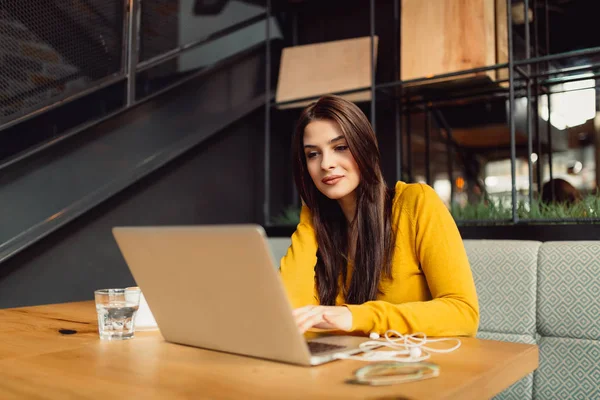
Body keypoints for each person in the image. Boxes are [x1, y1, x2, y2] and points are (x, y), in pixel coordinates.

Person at [279, 95, 479, 337]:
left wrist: (357, 316)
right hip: (346, 369)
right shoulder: (319, 231)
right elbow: (290, 318)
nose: (326, 164)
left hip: (413, 366)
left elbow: (464, 313)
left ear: (364, 147)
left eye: (340, 147)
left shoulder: (415, 204)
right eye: (313, 154)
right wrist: (311, 210)